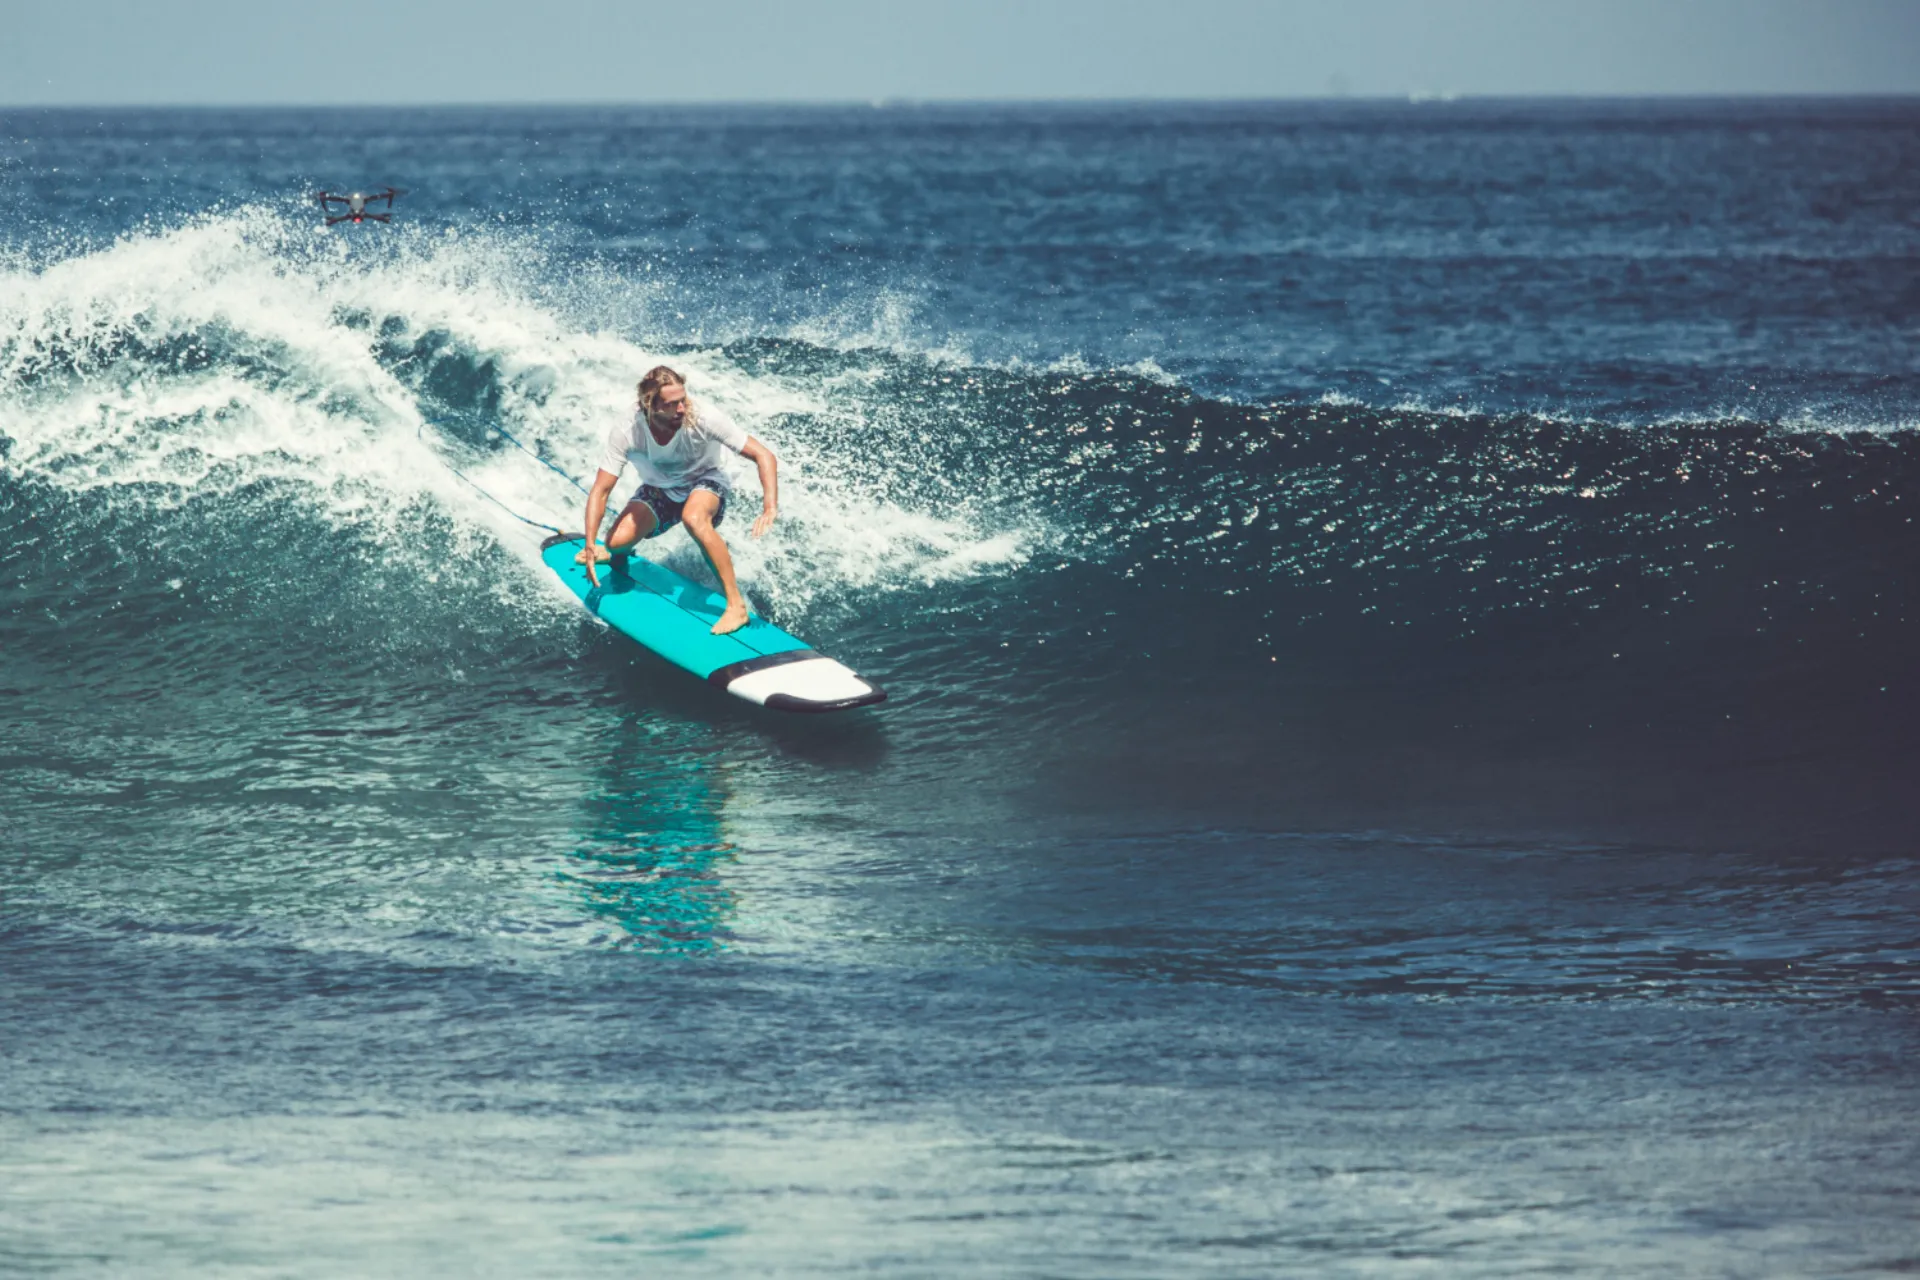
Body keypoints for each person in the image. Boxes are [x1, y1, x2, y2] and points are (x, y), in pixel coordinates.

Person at [579, 365, 778, 635]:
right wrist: (591, 542)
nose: (682, 408)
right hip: (662, 488)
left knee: (693, 518)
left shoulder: (703, 417)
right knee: (616, 543)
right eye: (673, 404)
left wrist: (769, 506)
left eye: (683, 399)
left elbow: (763, 455)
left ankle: (736, 607)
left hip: (707, 480)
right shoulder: (628, 429)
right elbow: (601, 489)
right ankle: (615, 555)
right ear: (650, 406)